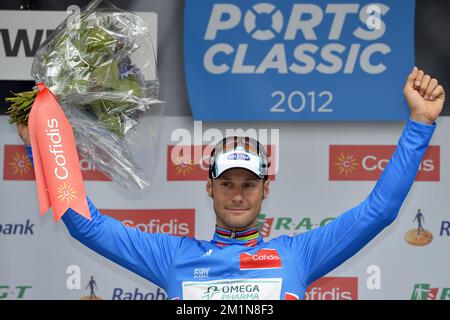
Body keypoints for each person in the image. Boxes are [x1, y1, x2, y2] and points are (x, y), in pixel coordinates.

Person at [17, 67, 445, 300]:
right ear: (210, 189)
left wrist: (420, 124)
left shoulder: (297, 254)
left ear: (265, 190)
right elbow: (81, 222)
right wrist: (43, 139)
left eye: (248, 184)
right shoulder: (173, 255)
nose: (237, 193)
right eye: (226, 183)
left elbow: (380, 211)